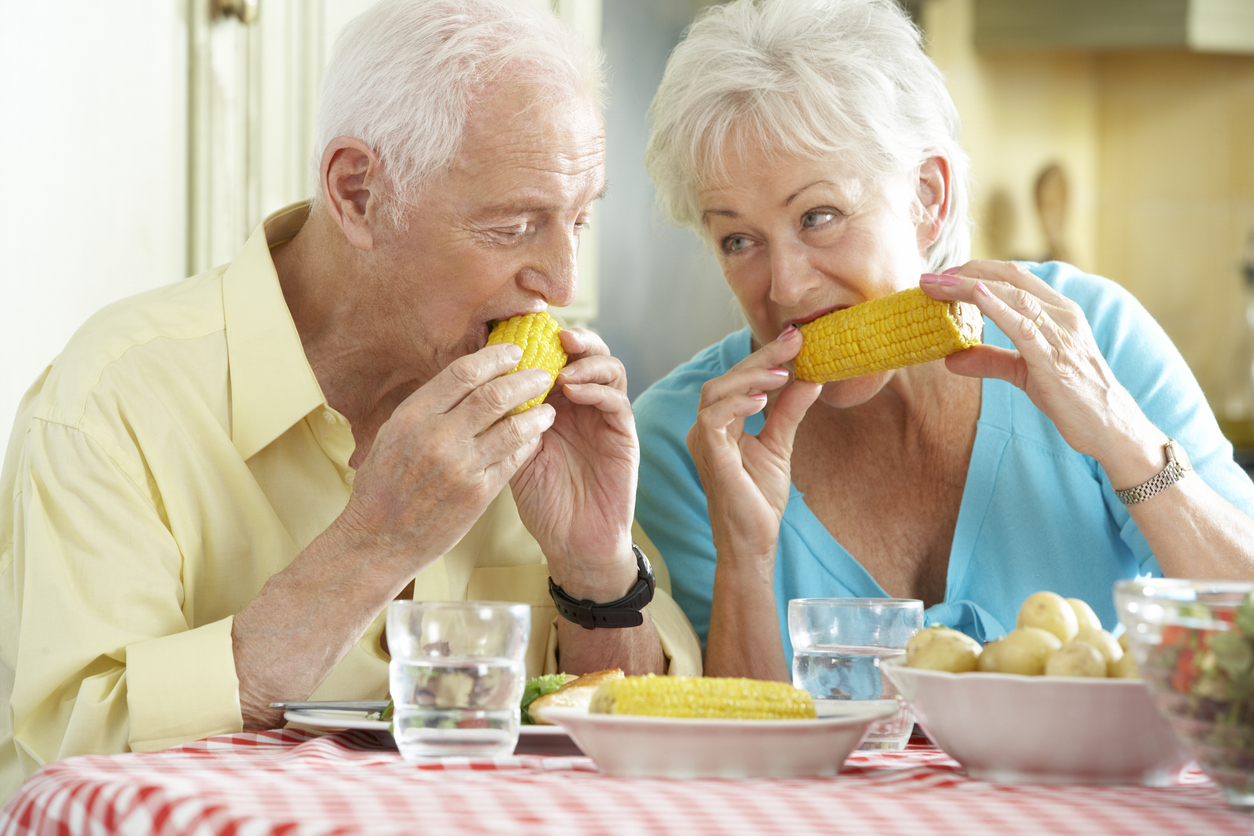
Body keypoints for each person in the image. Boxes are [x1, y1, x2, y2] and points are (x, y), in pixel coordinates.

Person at [0, 0, 700, 803]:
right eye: (515, 226)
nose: (564, 283)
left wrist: (595, 571)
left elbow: (660, 754)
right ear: (358, 193)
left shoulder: (550, 424)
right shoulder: (111, 403)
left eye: (578, 218)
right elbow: (67, 777)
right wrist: (373, 545)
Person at [633, 0, 1254, 682]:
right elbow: (730, 755)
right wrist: (746, 556)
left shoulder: (1094, 335)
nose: (783, 286)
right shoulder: (682, 442)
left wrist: (1122, 438)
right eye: (738, 239)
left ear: (927, 197)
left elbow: (1242, 639)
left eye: (819, 216)